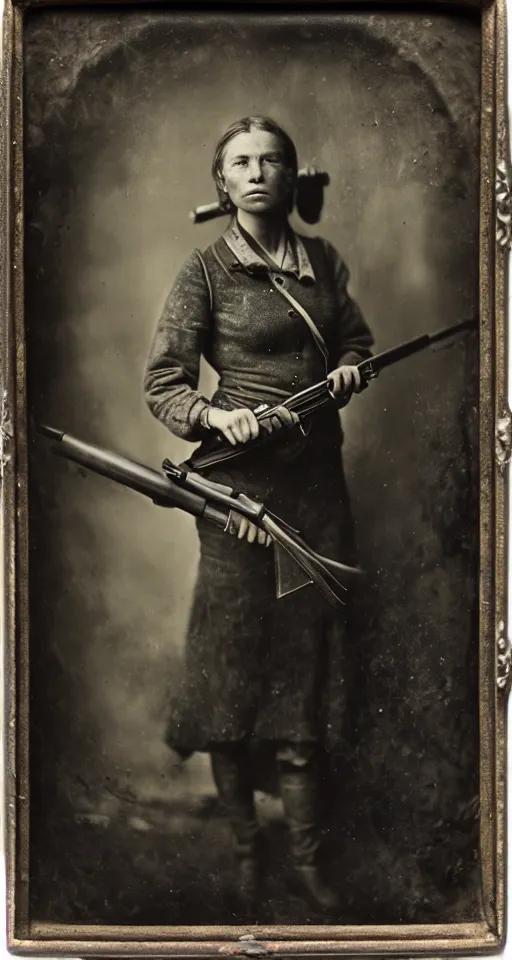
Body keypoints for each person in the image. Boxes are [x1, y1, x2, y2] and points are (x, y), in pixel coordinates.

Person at [144, 116, 374, 918]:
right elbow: (164, 385)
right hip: (237, 497)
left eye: (272, 160)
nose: (258, 173)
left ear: (291, 174)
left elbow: (356, 339)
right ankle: (247, 849)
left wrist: (349, 370)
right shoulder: (203, 271)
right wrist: (214, 417)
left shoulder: (323, 260)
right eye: (241, 162)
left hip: (317, 496)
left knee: (304, 681)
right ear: (221, 181)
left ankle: (310, 863)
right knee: (230, 680)